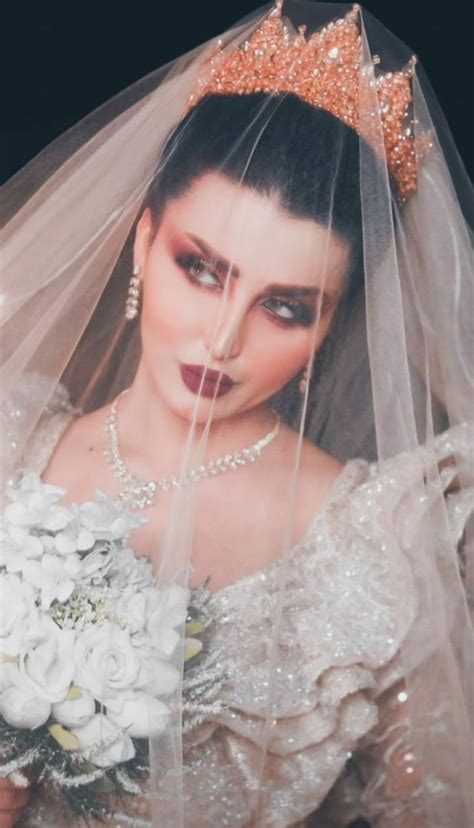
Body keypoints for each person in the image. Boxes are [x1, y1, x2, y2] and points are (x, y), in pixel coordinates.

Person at [0, 1, 472, 826]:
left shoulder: (380, 542)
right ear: (145, 241)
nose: (221, 339)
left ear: (331, 326)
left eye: (285, 308)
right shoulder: (10, 440)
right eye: (203, 269)